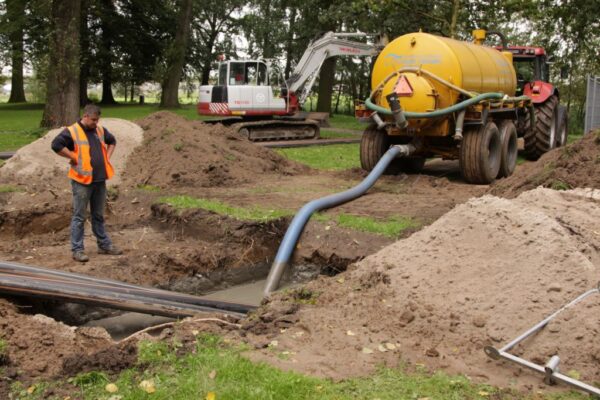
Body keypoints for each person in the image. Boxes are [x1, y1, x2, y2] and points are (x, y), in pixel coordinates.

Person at [51, 104, 122, 262]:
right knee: (79, 217)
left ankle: (104, 245)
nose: (96, 123)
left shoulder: (100, 130)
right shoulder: (72, 131)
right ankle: (77, 250)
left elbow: (112, 141)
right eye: (93, 120)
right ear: (85, 116)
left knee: (98, 215)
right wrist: (72, 156)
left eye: (97, 120)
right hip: (82, 181)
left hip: (99, 180)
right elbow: (56, 145)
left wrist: (107, 158)